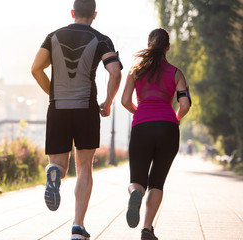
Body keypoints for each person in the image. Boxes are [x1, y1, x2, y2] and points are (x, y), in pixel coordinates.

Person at [31, 0, 122, 239]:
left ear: (72, 13)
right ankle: (77, 227)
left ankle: (53, 172)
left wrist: (53, 92)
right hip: (86, 110)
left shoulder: (52, 36)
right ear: (94, 15)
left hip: (58, 108)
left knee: (60, 166)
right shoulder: (102, 39)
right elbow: (115, 72)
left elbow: (35, 69)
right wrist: (108, 101)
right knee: (84, 169)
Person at [121, 28, 191, 240]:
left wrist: (140, 112)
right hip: (168, 127)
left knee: (138, 180)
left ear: (149, 45)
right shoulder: (176, 72)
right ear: (167, 47)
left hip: (142, 126)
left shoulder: (136, 71)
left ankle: (136, 193)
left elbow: (125, 101)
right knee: (157, 181)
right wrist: (175, 118)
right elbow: (185, 104)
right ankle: (147, 229)